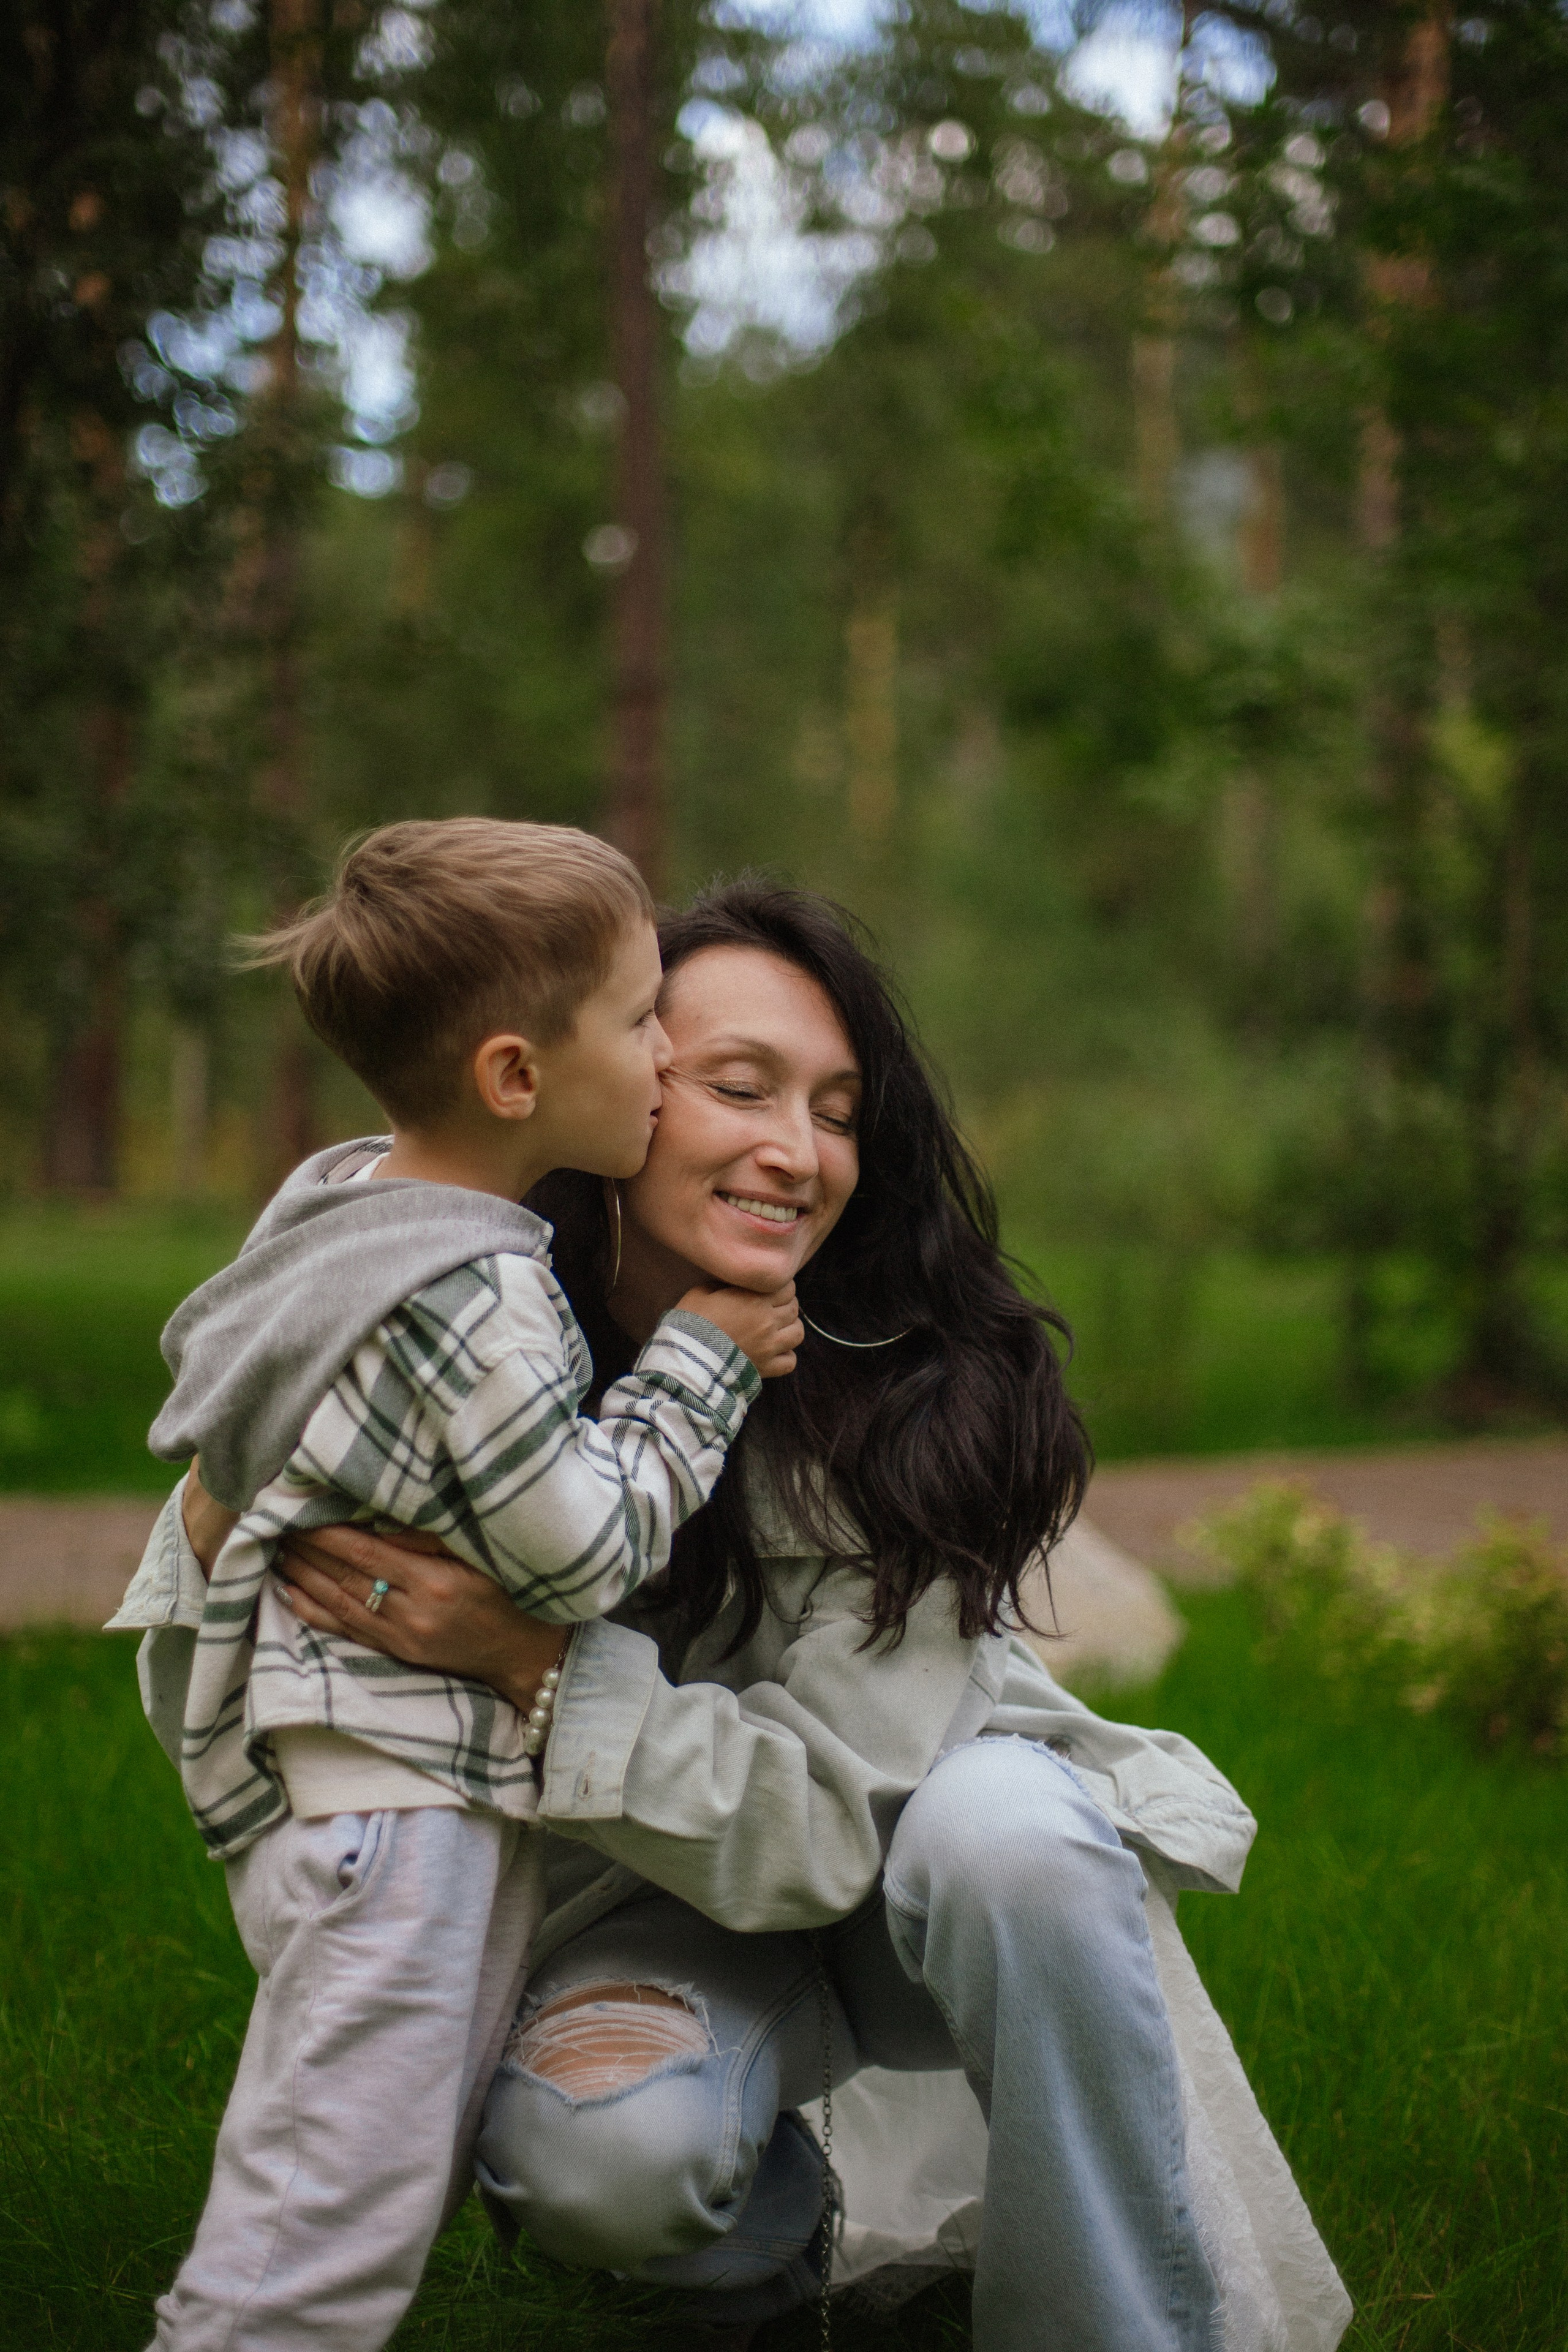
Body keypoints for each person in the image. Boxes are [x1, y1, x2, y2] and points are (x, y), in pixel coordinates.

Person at [156, 881, 1352, 2352]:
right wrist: (222, 1504)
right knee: (605, 2160)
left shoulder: (920, 1385)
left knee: (1016, 1836)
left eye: (838, 1111)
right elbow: (254, 1567)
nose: (795, 1151)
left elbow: (829, 1830)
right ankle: (796, 2296)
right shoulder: (478, 1337)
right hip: (651, 1920)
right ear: (600, 1090)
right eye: (735, 1087)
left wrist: (537, 1665)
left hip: (913, 1890)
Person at [113, 821, 802, 2352]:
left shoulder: (349, 1200)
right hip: (397, 1827)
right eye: (639, 1024)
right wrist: (699, 1366)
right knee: (317, 2242)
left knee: (353, 2197)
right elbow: (577, 1555)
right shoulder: (476, 1298)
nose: (667, 1057)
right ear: (513, 1078)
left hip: (362, 1802)